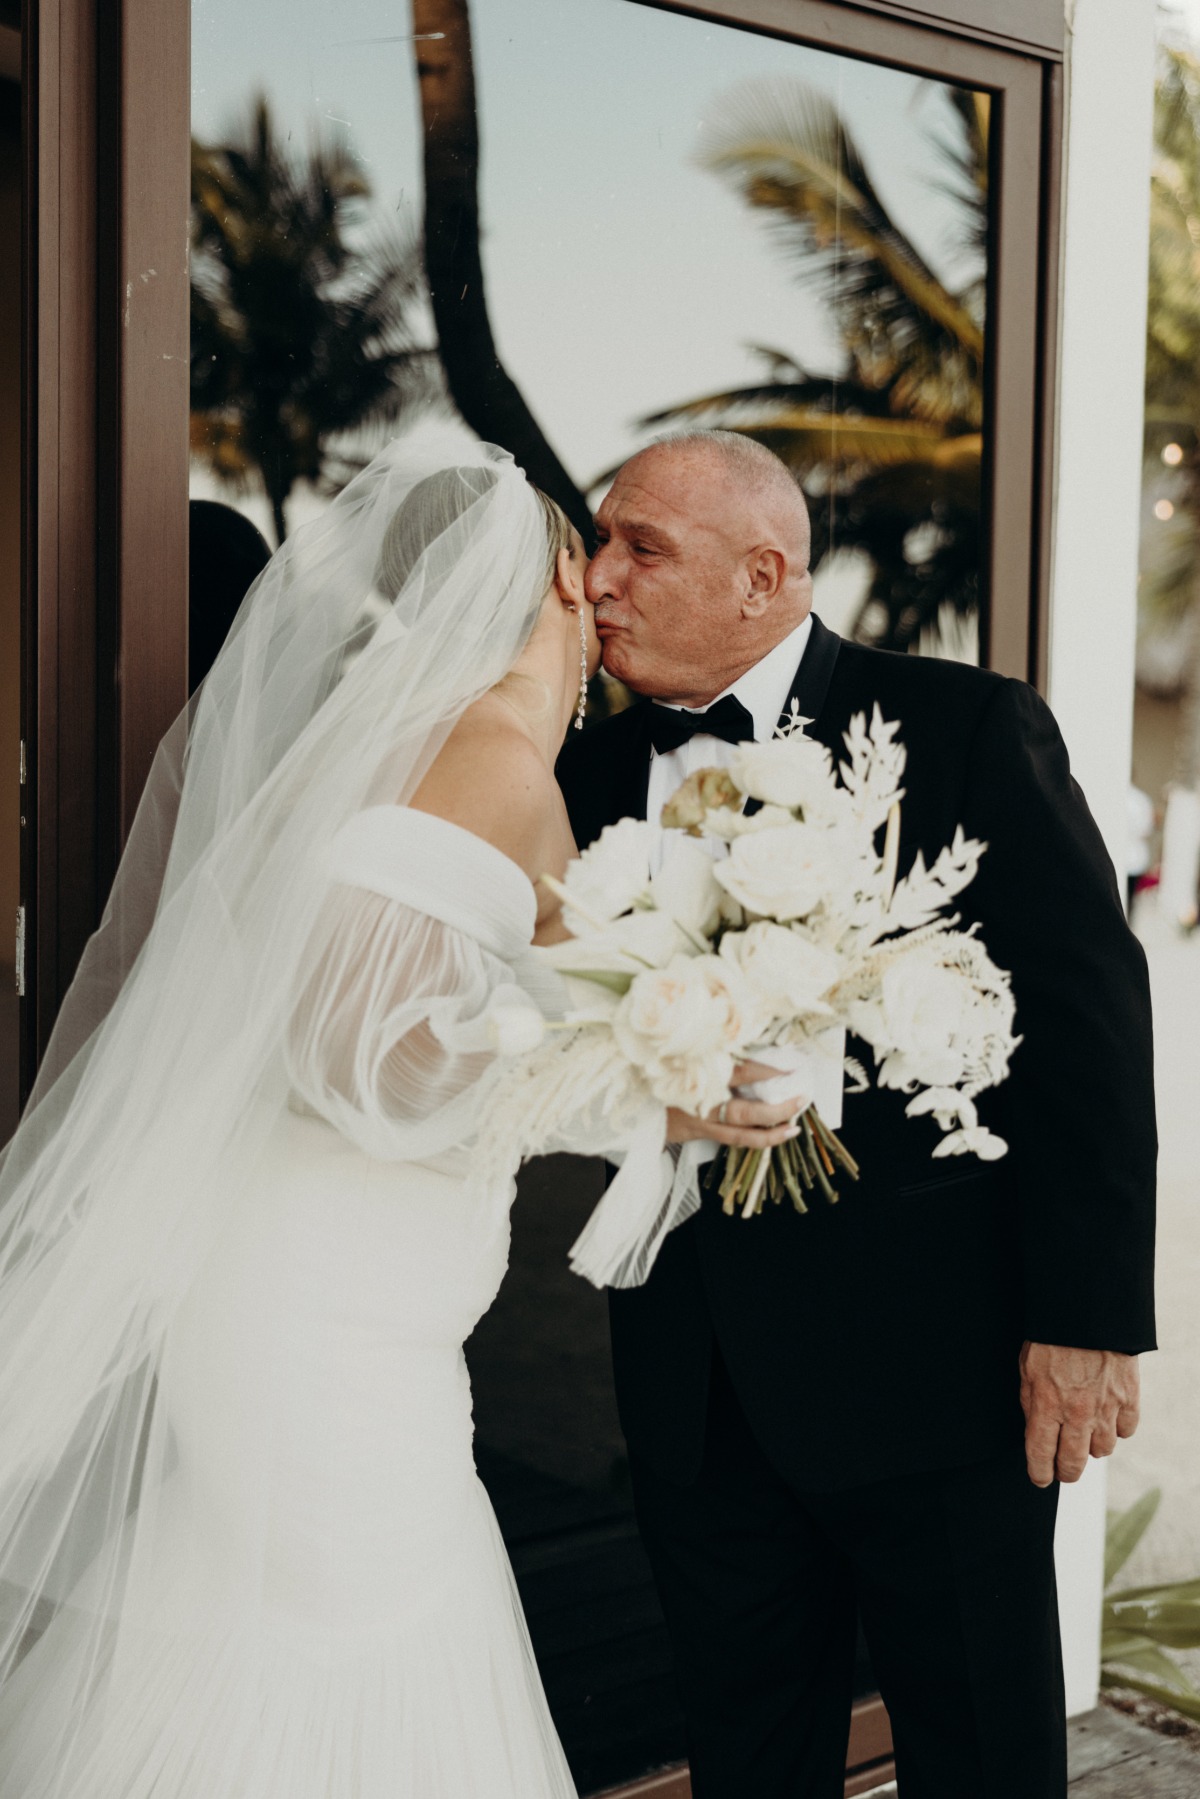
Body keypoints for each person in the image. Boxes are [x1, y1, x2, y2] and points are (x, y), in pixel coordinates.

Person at [0, 440, 794, 1799]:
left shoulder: (434, 758)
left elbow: (439, 1035)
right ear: (550, 572)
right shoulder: (483, 758)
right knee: (332, 1651)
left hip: (328, 1300)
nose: (607, 586)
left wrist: (661, 1069)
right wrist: (628, 1067)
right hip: (318, 1323)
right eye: (594, 554)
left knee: (263, 1634)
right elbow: (355, 1050)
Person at [556, 429, 1158, 1799]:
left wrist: (1086, 1320)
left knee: (979, 1757)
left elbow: (1090, 1040)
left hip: (940, 1379)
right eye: (603, 543)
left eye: (639, 546)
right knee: (745, 1751)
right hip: (695, 1383)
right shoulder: (578, 781)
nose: (599, 580)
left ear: (766, 575)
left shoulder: (963, 729)